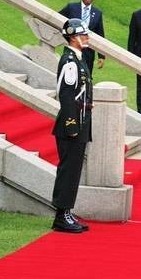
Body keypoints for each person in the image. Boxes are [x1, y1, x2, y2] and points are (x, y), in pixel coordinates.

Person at [51, 18, 93, 233]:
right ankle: (61, 216)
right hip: (72, 125)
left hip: (80, 121)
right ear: (73, 37)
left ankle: (66, 211)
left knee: (74, 170)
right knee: (68, 170)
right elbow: (66, 96)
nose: (86, 37)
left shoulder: (78, 58)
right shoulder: (69, 61)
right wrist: (72, 125)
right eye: (83, 34)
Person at [59, 0, 105, 76]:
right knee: (69, 75)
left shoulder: (97, 13)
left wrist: (101, 56)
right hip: (72, 48)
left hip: (88, 52)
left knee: (85, 77)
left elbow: (100, 33)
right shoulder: (71, 7)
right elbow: (58, 19)